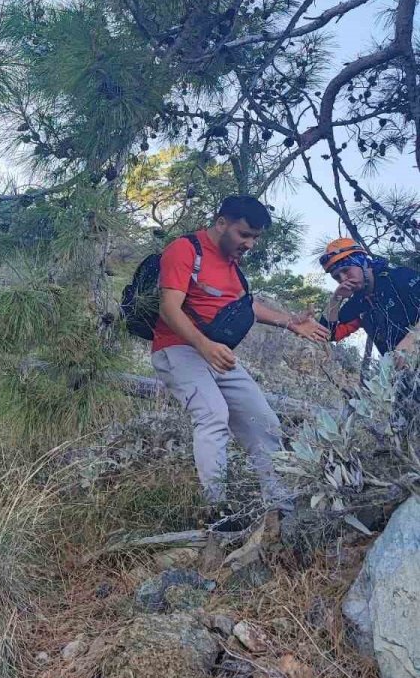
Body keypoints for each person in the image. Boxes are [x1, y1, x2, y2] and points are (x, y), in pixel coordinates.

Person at [151, 195, 329, 516]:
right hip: (177, 348)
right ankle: (217, 510)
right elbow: (169, 307)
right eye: (244, 234)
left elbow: (246, 306)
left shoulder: (232, 265)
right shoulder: (185, 249)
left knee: (263, 421)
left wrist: (291, 323)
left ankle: (281, 506)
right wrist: (203, 344)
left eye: (255, 238)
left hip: (216, 355)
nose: (249, 244)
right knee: (213, 415)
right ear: (221, 223)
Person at [319, 237, 420, 363]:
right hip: (405, 373)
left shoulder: (398, 277)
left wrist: (413, 337)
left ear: (362, 263)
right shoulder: (357, 305)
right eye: (337, 277)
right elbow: (327, 335)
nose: (343, 279)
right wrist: (335, 299)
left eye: (346, 270)